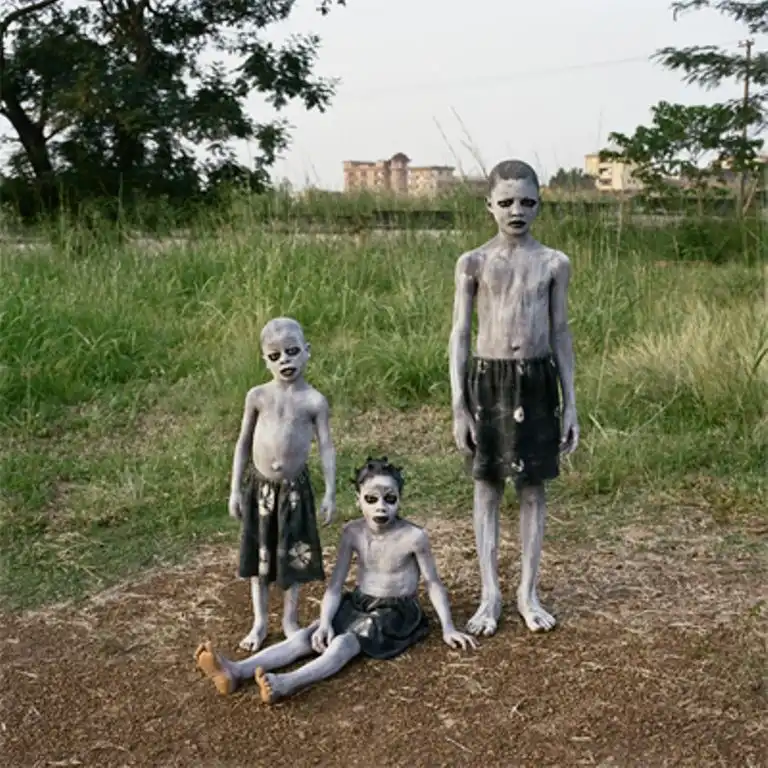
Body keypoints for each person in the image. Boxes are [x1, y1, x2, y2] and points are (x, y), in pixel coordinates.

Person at [195, 457, 477, 703]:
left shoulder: (414, 537)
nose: (381, 508)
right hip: (359, 602)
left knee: (344, 643)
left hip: (396, 613)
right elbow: (335, 586)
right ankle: (236, 670)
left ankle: (286, 683)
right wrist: (325, 622)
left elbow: (433, 583)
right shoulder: (352, 533)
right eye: (371, 499)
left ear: (400, 499)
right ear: (358, 499)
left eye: (390, 499)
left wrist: (448, 628)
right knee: (309, 635)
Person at [448, 159, 579, 636]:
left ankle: (528, 591)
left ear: (540, 204)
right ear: (489, 205)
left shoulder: (554, 263)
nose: (516, 210)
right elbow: (460, 334)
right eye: (506, 202)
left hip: (538, 380)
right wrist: (459, 404)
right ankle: (490, 594)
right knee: (487, 487)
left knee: (532, 489)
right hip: (488, 379)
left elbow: (560, 331)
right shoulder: (473, 262)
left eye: (526, 202)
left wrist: (571, 404)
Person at [228, 316, 336, 652]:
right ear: (265, 360)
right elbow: (243, 442)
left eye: (292, 352)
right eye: (275, 356)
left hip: (294, 491)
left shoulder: (314, 401)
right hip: (260, 489)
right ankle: (260, 621)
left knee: (293, 555)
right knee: (259, 555)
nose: (285, 361)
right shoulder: (258, 396)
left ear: (307, 351)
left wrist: (330, 492)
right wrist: (234, 489)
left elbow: (326, 446)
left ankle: (290, 619)